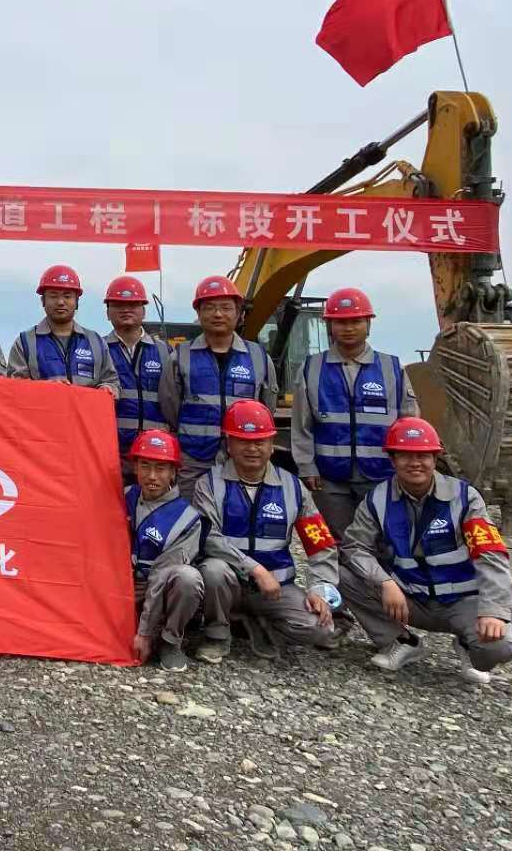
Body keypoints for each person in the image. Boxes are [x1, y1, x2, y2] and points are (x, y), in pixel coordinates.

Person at [338, 418, 512, 685]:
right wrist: (384, 582)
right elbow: (354, 547)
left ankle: (467, 644)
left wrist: (494, 610)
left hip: (462, 602)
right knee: (341, 574)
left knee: (498, 647)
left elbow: (490, 554)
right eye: (405, 456)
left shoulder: (465, 498)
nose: (415, 463)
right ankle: (401, 642)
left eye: (423, 455)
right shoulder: (377, 500)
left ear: (435, 458)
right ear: (392, 459)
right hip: (409, 598)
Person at [194, 400, 338, 663]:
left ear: (272, 444)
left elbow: (320, 545)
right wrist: (255, 569)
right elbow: (208, 538)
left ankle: (255, 623)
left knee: (322, 629)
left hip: (276, 589)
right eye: (243, 440)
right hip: (229, 585)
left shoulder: (293, 487)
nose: (252, 448)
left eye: (260, 441)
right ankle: (217, 633)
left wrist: (320, 588)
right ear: (229, 444)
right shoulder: (209, 484)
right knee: (213, 570)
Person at [290, 287, 418, 541]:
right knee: (339, 541)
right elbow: (301, 424)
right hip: (329, 477)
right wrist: (306, 466)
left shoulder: (392, 368)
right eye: (340, 322)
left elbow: (409, 422)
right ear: (330, 326)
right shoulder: (311, 368)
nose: (348, 328)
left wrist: (405, 467)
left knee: (384, 540)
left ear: (368, 324)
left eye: (356, 321)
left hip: (381, 474)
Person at [160, 275, 278, 484]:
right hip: (193, 460)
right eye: (209, 308)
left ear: (239, 313)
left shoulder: (258, 357)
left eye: (226, 308)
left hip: (243, 460)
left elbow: (267, 407)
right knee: (191, 505)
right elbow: (170, 406)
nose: (217, 314)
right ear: (198, 313)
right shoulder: (181, 356)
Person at [123, 430, 204, 672]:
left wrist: (144, 633)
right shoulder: (122, 497)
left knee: (188, 578)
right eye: (145, 466)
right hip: (122, 587)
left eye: (161, 468)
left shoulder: (187, 519)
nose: (152, 476)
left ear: (173, 472)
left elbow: (161, 576)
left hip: (159, 589)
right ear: (135, 467)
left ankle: (170, 641)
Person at [103, 275, 173, 478]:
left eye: (133, 305)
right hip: (111, 454)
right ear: (107, 312)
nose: (126, 310)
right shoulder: (98, 349)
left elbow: (175, 403)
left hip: (154, 455)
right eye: (118, 305)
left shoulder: (165, 352)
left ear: (144, 310)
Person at [6, 266, 117, 392]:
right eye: (53, 296)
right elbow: (14, 387)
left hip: (85, 406)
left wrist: (108, 388)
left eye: (67, 296)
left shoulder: (95, 342)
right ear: (43, 301)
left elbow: (111, 380)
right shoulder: (25, 342)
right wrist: (45, 387)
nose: (60, 302)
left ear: (77, 301)